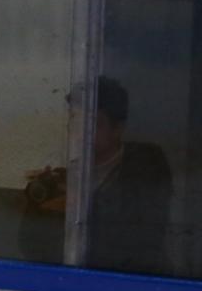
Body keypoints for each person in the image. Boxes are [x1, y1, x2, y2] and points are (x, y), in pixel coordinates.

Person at [19, 75, 173, 275]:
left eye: (92, 123)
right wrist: (37, 205)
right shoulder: (71, 175)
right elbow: (32, 249)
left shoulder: (147, 162)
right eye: (74, 120)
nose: (79, 131)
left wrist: (80, 204)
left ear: (118, 129)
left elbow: (139, 240)